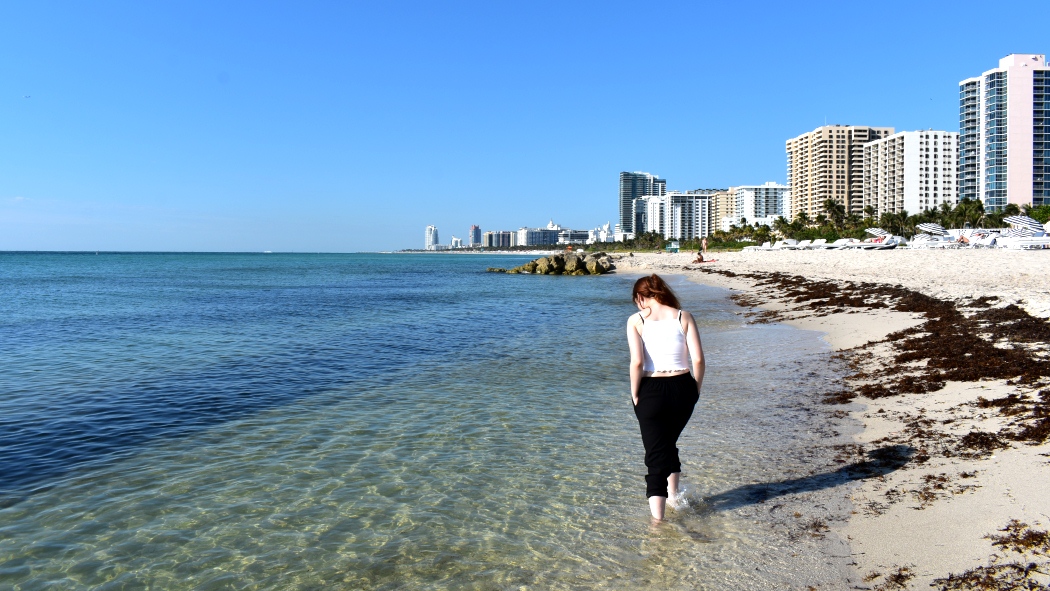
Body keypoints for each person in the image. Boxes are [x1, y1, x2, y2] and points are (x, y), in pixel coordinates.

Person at [626, 274, 705, 521]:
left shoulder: (636, 320)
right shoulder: (683, 316)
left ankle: (657, 524)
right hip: (683, 387)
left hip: (651, 388)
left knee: (655, 456)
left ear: (640, 297)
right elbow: (699, 360)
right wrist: (696, 389)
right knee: (667, 443)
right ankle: (674, 496)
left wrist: (634, 393)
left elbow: (637, 362)